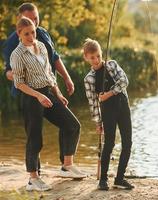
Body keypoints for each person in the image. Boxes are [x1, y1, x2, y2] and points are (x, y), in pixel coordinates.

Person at [10, 17, 85, 192]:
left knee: (72, 125)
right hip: (31, 97)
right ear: (19, 34)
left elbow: (49, 74)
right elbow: (19, 83)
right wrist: (38, 96)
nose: (30, 36)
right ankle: (33, 179)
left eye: (33, 32)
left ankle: (67, 166)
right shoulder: (17, 54)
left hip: (48, 93)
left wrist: (58, 93)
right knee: (35, 138)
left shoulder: (42, 47)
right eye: (26, 33)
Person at [2, 2, 74, 169]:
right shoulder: (12, 43)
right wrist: (25, 77)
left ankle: (66, 164)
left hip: (49, 88)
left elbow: (54, 58)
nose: (34, 22)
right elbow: (8, 72)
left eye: (36, 18)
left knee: (68, 123)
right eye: (29, 19)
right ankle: (35, 174)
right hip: (28, 93)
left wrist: (66, 78)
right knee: (34, 136)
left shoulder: (42, 35)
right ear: (19, 21)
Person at [83, 38, 134, 190]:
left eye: (98, 55)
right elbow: (93, 103)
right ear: (86, 58)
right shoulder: (89, 79)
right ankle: (103, 180)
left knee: (127, 143)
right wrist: (98, 123)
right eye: (92, 57)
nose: (97, 59)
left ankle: (119, 178)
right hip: (107, 112)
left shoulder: (111, 64)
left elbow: (124, 81)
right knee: (109, 144)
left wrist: (109, 94)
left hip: (123, 107)